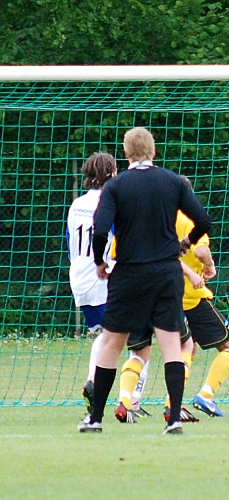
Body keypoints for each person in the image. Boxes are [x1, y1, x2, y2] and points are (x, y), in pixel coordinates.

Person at [77, 127, 211, 435]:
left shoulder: (116, 186)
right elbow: (203, 220)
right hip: (166, 274)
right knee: (171, 346)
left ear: (125, 155)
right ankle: (174, 419)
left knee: (112, 343)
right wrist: (185, 244)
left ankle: (95, 419)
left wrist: (99, 262)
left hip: (129, 274)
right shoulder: (173, 182)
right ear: (153, 152)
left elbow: (99, 231)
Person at [116, 177, 229, 421]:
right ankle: (199, 396)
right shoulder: (189, 220)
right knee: (227, 346)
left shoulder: (149, 218)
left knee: (141, 351)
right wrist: (208, 265)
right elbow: (201, 250)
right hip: (187, 298)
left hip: (142, 292)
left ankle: (124, 399)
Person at [66, 152, 116, 413]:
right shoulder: (111, 203)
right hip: (102, 276)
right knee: (118, 335)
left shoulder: (76, 205)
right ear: (112, 174)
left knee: (107, 333)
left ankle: (96, 383)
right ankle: (97, 382)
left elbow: (70, 244)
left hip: (79, 276)